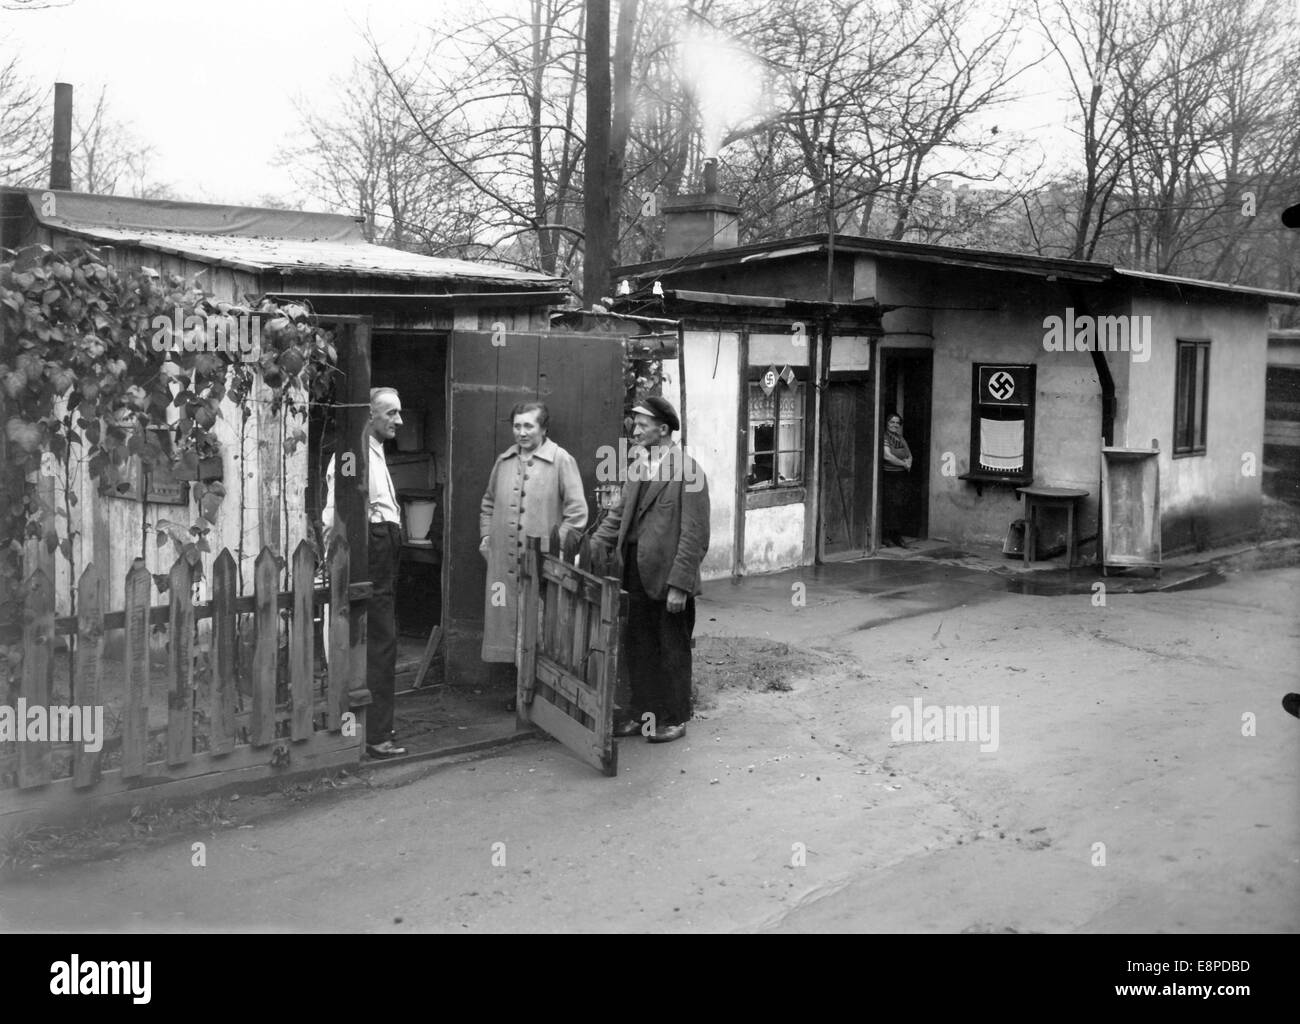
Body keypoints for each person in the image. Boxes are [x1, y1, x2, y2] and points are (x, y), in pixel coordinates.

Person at [592, 396, 709, 744]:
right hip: (635, 575)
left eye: (643, 424)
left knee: (671, 648)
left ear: (663, 428)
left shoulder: (690, 472)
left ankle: (674, 717)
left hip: (669, 578)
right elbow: (617, 518)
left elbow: (695, 535)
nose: (635, 429)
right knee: (639, 645)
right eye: (635, 423)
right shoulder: (638, 466)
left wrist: (680, 585)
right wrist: (592, 547)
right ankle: (644, 715)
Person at [480, 401, 588, 709]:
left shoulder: (560, 460)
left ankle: (542, 695)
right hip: (503, 565)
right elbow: (487, 504)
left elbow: (578, 513)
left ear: (543, 428)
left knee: (541, 625)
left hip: (542, 565)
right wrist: (487, 537)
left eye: (529, 426)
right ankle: (519, 691)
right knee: (508, 621)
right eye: (517, 426)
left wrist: (555, 551)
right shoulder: (504, 461)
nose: (522, 432)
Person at [322, 387, 406, 759]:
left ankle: (373, 728)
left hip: (382, 545)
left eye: (398, 413)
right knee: (376, 640)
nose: (398, 421)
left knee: (380, 639)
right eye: (390, 413)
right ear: (369, 415)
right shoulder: (353, 456)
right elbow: (336, 512)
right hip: (371, 549)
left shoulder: (374, 452)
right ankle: (373, 734)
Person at [881, 411, 913, 547]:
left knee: (900, 506)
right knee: (890, 506)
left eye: (897, 423)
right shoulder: (884, 436)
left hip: (901, 476)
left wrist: (908, 462)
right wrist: (904, 463)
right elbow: (887, 456)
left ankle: (897, 536)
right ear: (887, 423)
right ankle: (886, 536)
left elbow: (909, 455)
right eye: (891, 422)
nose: (894, 425)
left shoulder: (900, 438)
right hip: (889, 475)